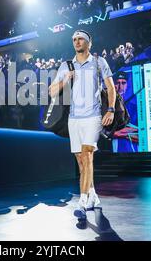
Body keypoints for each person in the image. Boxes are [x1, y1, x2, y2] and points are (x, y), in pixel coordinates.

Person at [49, 30, 116, 220]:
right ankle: (93, 194)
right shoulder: (66, 66)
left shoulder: (99, 62)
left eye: (80, 39)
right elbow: (52, 92)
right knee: (81, 160)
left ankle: (83, 201)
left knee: (87, 155)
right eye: (74, 40)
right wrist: (65, 79)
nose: (77, 42)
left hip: (93, 117)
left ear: (89, 42)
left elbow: (110, 87)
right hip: (73, 119)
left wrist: (110, 109)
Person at [112, 71, 138, 152]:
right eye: (117, 83)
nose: (120, 86)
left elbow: (137, 130)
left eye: (123, 83)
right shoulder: (108, 106)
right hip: (115, 149)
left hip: (132, 148)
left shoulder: (133, 107)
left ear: (127, 85)